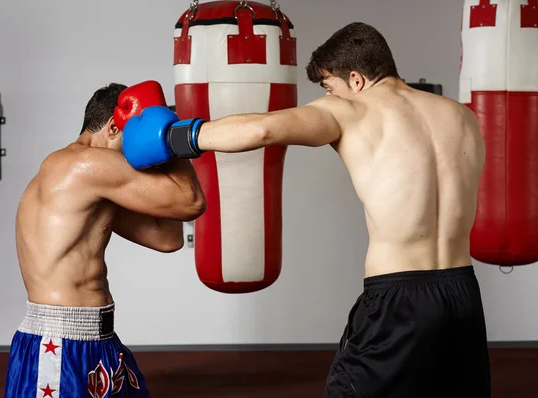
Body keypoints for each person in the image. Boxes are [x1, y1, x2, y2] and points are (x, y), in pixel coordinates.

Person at [125, 22, 491, 398]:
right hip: (461, 293)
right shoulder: (461, 116)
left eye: (330, 87)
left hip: (398, 298)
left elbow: (263, 130)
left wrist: (176, 137)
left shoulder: (351, 111)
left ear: (356, 79)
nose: (330, 96)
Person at [4, 81, 206, 397]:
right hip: (60, 345)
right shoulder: (82, 164)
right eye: (132, 137)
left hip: (99, 339)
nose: (136, 151)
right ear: (114, 127)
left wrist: (161, 148)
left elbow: (168, 238)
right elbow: (191, 201)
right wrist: (171, 136)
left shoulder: (89, 187)